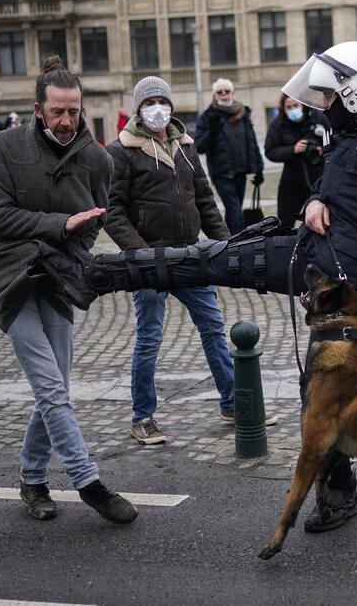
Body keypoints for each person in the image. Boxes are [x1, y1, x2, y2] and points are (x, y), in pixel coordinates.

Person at [40, 41, 357, 534]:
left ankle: (339, 499)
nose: (326, 103)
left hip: (346, 281)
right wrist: (316, 202)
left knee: (316, 391)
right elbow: (334, 182)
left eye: (333, 94)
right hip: (313, 254)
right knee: (208, 260)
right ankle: (95, 276)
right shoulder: (352, 132)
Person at [0, 55, 138, 523]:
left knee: (56, 390)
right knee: (51, 388)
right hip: (9, 276)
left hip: (58, 278)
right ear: (37, 109)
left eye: (74, 111)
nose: (67, 120)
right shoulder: (3, 149)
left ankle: (32, 480)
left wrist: (74, 234)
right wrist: (59, 225)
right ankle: (89, 483)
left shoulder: (96, 158)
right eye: (58, 112)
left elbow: (94, 222)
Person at [105, 76, 245, 445]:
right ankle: (143, 416)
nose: (157, 108)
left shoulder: (185, 146)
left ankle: (233, 402)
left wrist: (228, 246)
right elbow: (112, 210)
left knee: (214, 328)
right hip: (150, 263)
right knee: (150, 338)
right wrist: (139, 252)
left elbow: (205, 201)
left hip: (189, 256)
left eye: (162, 101)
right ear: (138, 109)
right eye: (149, 102)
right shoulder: (121, 151)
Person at [194, 78, 265, 234]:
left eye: (227, 91)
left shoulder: (243, 113)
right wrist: (212, 132)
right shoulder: (208, 116)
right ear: (215, 95)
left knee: (234, 211)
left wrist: (259, 168)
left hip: (241, 171)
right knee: (236, 212)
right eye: (220, 92)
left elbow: (251, 141)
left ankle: (226, 241)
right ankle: (240, 243)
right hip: (222, 173)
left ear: (232, 93)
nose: (224, 95)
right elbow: (198, 147)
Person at [264, 93, 331, 228]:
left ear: (303, 105)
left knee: (321, 218)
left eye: (296, 105)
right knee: (284, 222)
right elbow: (270, 151)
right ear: (283, 109)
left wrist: (323, 151)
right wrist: (293, 150)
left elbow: (336, 142)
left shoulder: (319, 118)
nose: (293, 109)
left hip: (319, 178)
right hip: (291, 180)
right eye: (289, 107)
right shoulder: (278, 124)